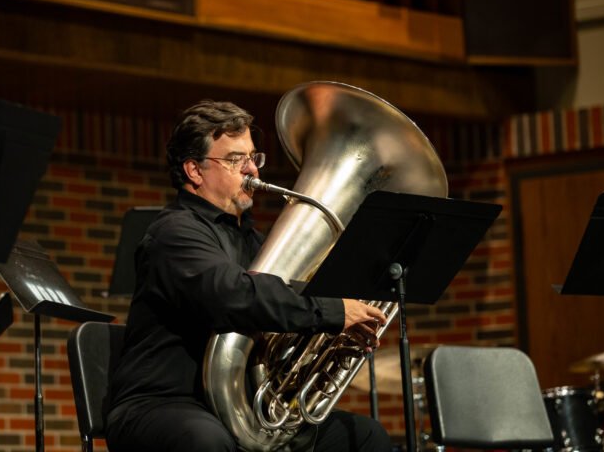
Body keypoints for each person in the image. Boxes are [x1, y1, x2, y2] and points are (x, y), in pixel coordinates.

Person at [106, 100, 392, 452]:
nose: (252, 171)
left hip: (240, 410)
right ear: (194, 171)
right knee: (207, 441)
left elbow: (284, 295)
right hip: (163, 403)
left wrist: (344, 314)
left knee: (364, 437)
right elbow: (233, 294)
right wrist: (331, 312)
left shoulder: (253, 243)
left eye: (253, 158)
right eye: (234, 160)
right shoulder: (173, 233)